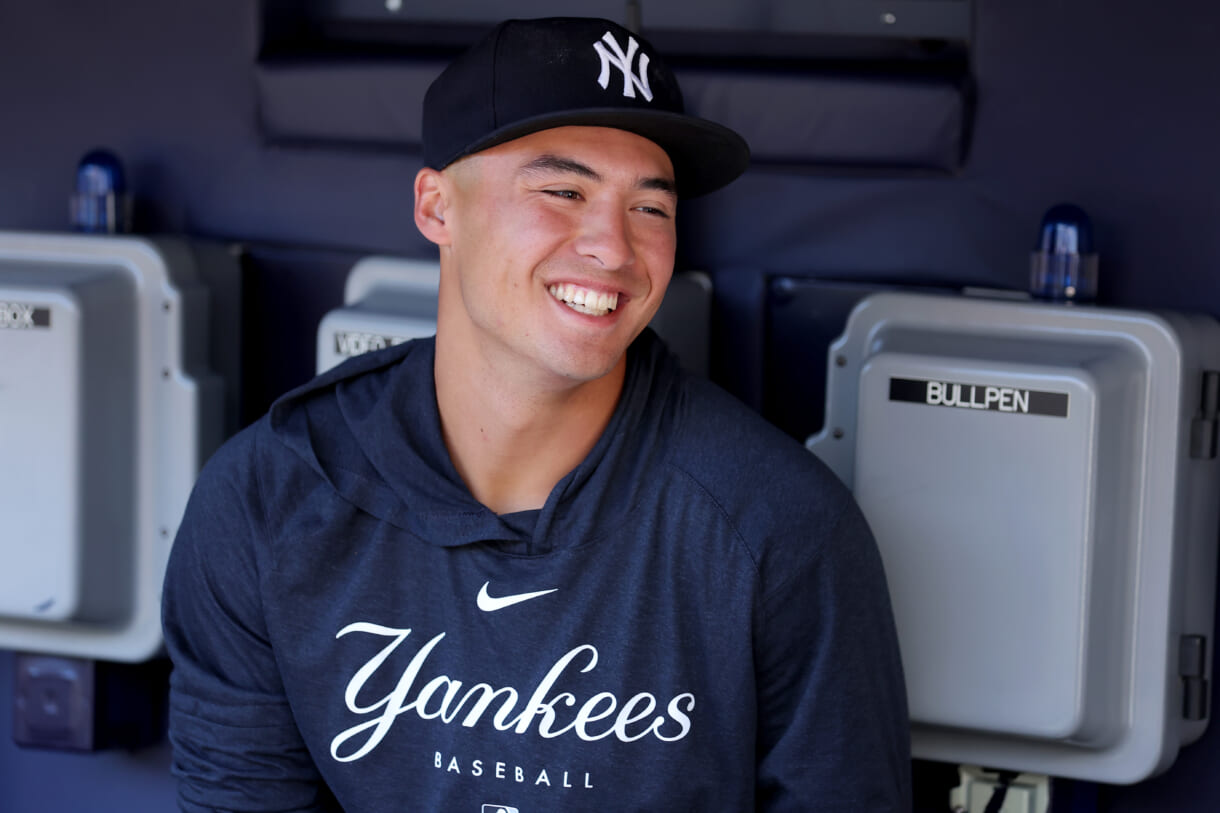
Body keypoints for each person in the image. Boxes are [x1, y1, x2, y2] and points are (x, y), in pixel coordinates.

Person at [162, 16, 911, 812]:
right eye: (564, 192)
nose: (614, 248)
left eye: (650, 208)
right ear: (437, 206)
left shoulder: (780, 527)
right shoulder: (267, 499)